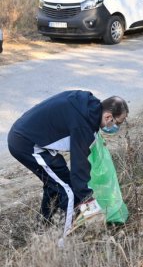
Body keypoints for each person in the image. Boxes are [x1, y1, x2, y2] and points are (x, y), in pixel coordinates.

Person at [7, 91, 129, 234]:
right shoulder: (83, 126)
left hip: (27, 135)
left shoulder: (88, 106)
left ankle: (41, 229)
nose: (117, 128)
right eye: (118, 123)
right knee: (69, 190)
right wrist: (87, 198)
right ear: (108, 117)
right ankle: (63, 242)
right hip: (26, 143)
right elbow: (79, 167)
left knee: (56, 184)